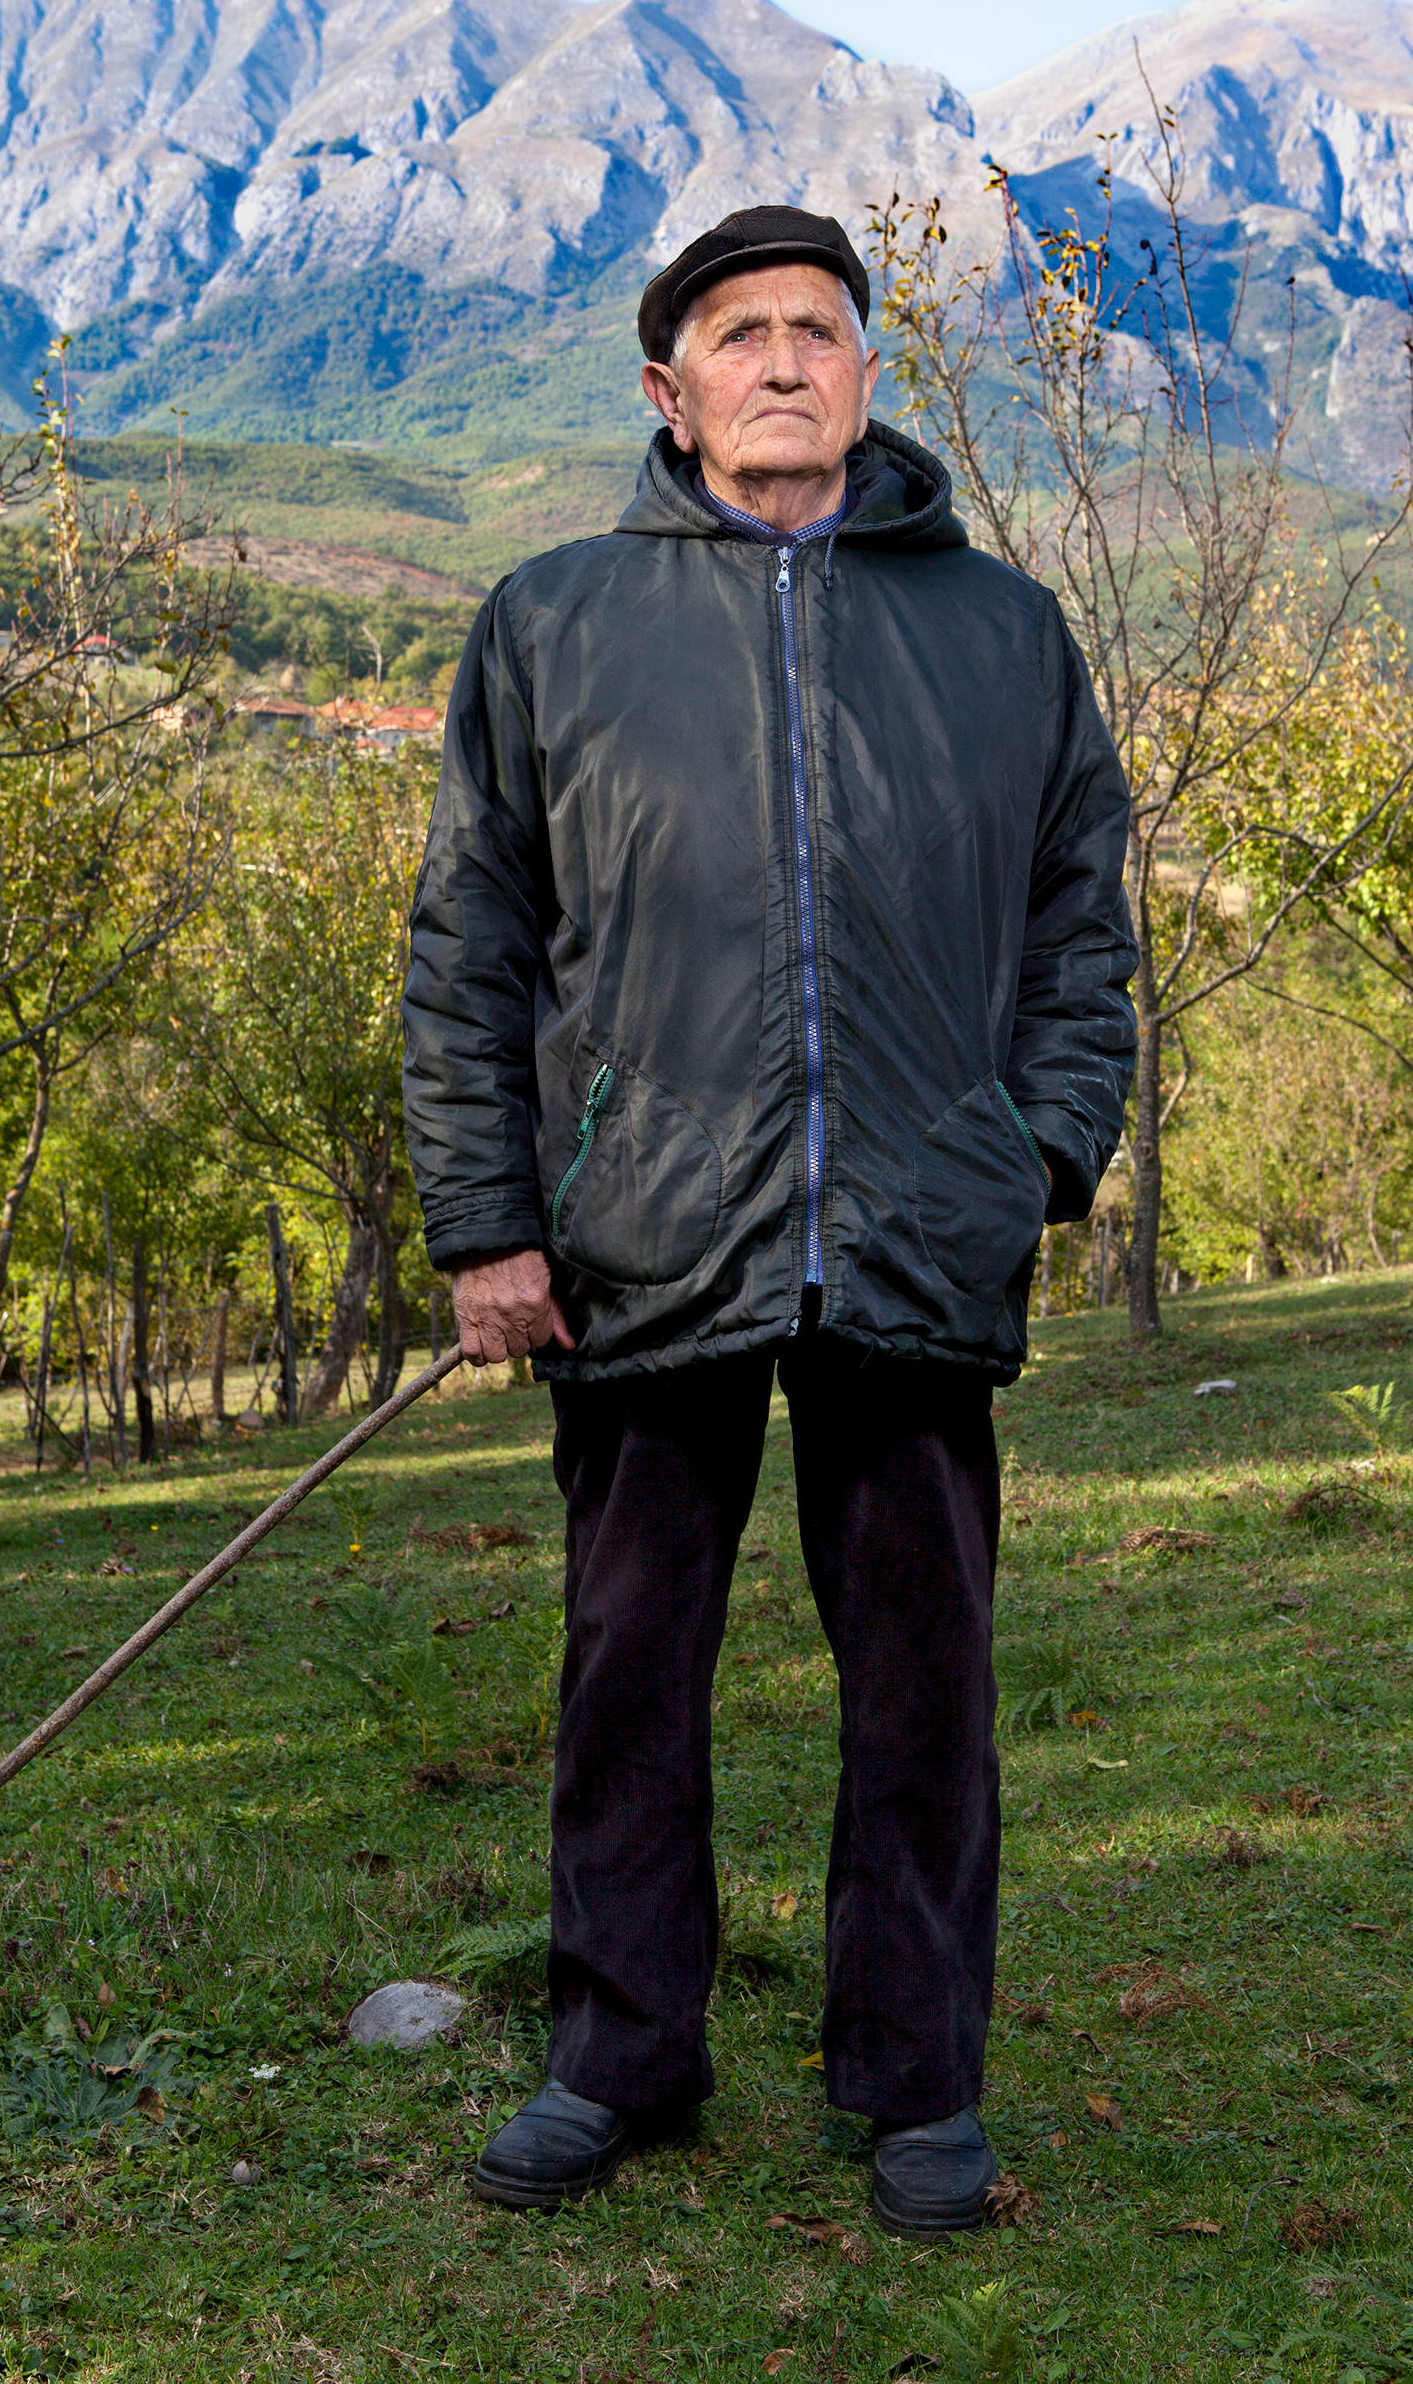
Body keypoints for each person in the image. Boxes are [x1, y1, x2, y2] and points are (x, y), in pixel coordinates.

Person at [401, 204, 1136, 2235]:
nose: (789, 359)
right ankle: (617, 2057)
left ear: (872, 374)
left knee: (925, 1677)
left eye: (823, 327)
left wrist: (1036, 1154)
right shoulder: (551, 623)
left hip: (916, 1239)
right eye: (744, 334)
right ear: (672, 390)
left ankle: (918, 2083)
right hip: (640, 1238)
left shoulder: (1006, 632)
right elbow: (472, 946)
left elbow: (1086, 925)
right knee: (633, 1660)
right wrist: (489, 1221)